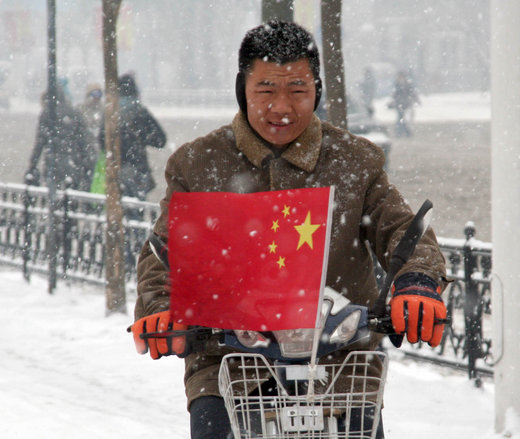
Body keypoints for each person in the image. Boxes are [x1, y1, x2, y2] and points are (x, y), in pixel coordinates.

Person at [130, 21, 448, 439]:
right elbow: (164, 251)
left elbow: (402, 230)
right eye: (266, 90)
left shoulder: (355, 161)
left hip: (340, 367)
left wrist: (418, 283)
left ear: (317, 89)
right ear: (242, 88)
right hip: (230, 368)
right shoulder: (198, 164)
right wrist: (158, 307)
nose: (281, 106)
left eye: (297, 90)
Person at [91, 73, 166, 202]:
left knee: (120, 208)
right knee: (137, 209)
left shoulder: (110, 112)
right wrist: (142, 138)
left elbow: (101, 141)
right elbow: (161, 140)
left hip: (116, 168)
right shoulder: (140, 111)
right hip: (139, 169)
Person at [25, 87, 96, 192]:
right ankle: (70, 205)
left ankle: (55, 206)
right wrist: (86, 164)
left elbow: (39, 143)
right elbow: (83, 142)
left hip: (53, 163)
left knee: (53, 195)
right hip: (73, 161)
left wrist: (32, 164)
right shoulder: (74, 113)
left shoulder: (47, 114)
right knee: (71, 196)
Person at [391, 70, 420, 137]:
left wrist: (416, 100)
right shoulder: (397, 84)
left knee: (402, 119)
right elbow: (395, 94)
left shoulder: (407, 84)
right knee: (400, 118)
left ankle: (404, 133)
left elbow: (412, 93)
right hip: (399, 104)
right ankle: (402, 132)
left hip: (405, 104)